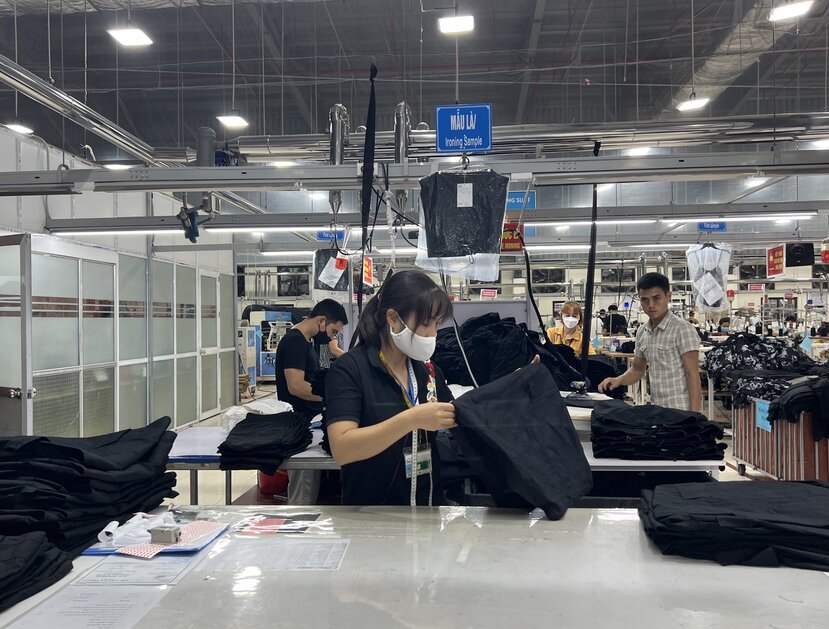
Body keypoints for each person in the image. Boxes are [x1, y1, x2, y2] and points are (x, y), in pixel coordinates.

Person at [324, 270, 457, 506]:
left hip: (429, 511)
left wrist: (513, 387)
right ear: (393, 318)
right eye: (427, 323)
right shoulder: (350, 370)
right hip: (374, 519)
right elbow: (342, 449)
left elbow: (457, 414)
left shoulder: (425, 371)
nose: (433, 334)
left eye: (437, 324)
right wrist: (411, 420)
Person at [599, 273, 702, 412]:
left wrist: (695, 416)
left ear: (668, 296)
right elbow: (637, 369)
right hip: (656, 409)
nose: (651, 305)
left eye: (656, 298)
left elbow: (692, 375)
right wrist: (619, 380)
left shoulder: (683, 329)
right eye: (645, 300)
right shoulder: (642, 331)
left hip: (681, 410)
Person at [275, 298, 349, 419]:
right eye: (333, 331)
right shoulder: (295, 342)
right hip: (299, 420)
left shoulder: (308, 340)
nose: (331, 336)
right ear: (321, 320)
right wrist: (332, 395)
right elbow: (296, 386)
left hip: (310, 415)